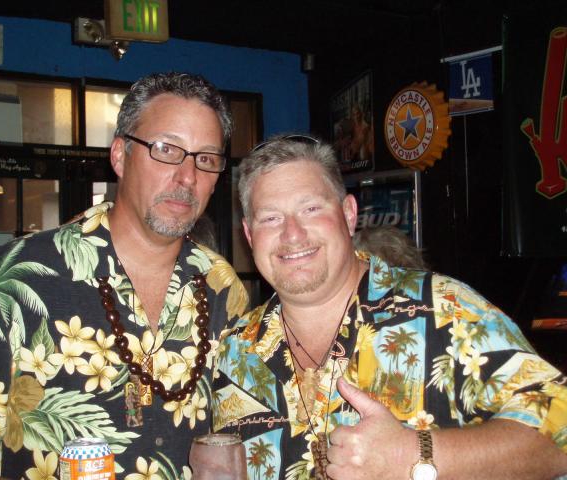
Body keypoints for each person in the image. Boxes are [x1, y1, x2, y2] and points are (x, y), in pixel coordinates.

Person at [0, 72, 248, 480]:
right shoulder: (21, 273)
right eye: (166, 149)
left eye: (206, 159)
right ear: (119, 156)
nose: (188, 177)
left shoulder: (222, 288)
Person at [212, 134, 567, 479]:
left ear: (349, 214)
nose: (292, 233)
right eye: (270, 218)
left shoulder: (443, 309)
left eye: (311, 208)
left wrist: (414, 456)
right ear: (249, 234)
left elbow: (560, 428)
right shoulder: (234, 352)